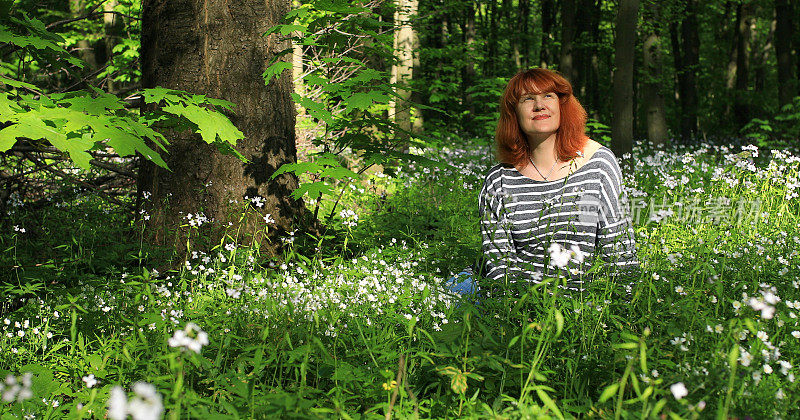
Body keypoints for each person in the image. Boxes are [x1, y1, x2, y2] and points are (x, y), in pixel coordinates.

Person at [474, 68, 639, 293]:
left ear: (562, 105)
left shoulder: (598, 164)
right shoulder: (499, 181)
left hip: (583, 306)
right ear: (514, 113)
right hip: (522, 302)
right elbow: (499, 265)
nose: (539, 105)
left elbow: (619, 246)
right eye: (528, 98)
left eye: (548, 96)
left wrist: (624, 306)